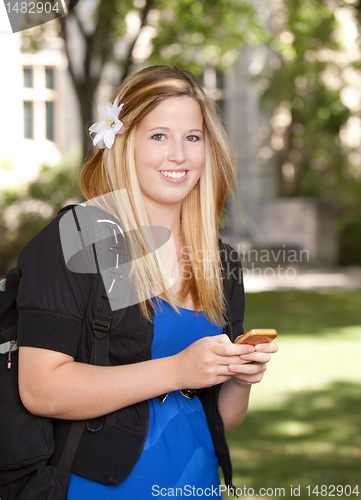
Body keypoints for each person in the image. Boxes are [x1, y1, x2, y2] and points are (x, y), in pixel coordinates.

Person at [16, 65, 278, 498]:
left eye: (192, 137)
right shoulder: (78, 239)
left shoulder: (219, 261)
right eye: (159, 136)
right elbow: (40, 389)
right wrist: (177, 370)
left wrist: (240, 377)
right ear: (124, 144)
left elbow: (215, 420)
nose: (179, 155)